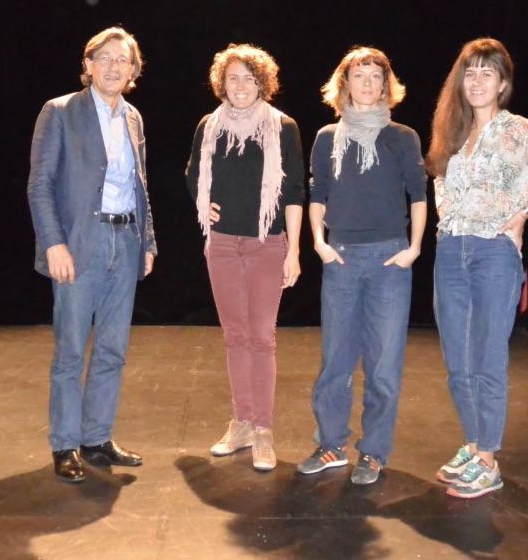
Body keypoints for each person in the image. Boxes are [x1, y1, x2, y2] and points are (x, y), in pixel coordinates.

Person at [426, 37, 528, 499]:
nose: (477, 81)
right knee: (458, 362)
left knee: (486, 359)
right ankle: (473, 444)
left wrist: (526, 214)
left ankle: (489, 461)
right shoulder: (454, 131)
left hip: (494, 254)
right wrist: (445, 216)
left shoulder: (517, 131)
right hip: (451, 252)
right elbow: (439, 176)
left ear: (502, 84)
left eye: (487, 73)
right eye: (470, 73)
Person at [27, 26, 157, 484]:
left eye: (123, 60)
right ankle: (65, 444)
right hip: (80, 244)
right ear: (88, 65)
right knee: (70, 351)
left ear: (133, 70)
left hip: (125, 241)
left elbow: (140, 185)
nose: (114, 66)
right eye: (105, 57)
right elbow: (40, 185)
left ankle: (97, 437)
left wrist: (148, 241)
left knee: (113, 349)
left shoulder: (133, 117)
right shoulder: (60, 111)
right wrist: (54, 243)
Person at [296, 46, 427, 486]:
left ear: (386, 85)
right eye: (359, 75)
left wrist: (414, 247)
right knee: (335, 362)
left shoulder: (402, 137)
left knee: (383, 367)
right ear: (345, 83)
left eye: (375, 76)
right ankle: (331, 444)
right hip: (341, 258)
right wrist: (319, 243)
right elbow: (317, 192)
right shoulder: (327, 137)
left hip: (391, 260)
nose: (367, 83)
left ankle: (373, 452)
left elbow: (419, 194)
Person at [185, 44, 305, 472]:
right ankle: (241, 424)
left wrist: (294, 250)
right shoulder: (209, 126)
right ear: (222, 82)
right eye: (232, 78)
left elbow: (295, 191)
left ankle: (263, 431)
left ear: (262, 83)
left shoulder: (283, 126)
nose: (240, 86)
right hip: (221, 244)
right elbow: (193, 174)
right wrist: (206, 204)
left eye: (249, 79)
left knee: (261, 337)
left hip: (266, 243)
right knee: (235, 336)